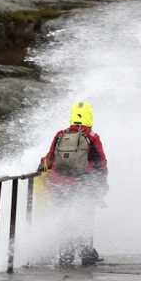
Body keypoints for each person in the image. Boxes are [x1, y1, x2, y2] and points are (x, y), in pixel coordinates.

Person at [41, 101, 108, 266]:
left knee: (64, 218)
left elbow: (49, 159)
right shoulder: (92, 137)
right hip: (83, 185)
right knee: (85, 218)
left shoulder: (60, 134)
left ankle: (66, 255)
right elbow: (101, 163)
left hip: (59, 185)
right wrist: (101, 185)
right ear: (89, 117)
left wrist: (42, 168)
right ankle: (86, 253)